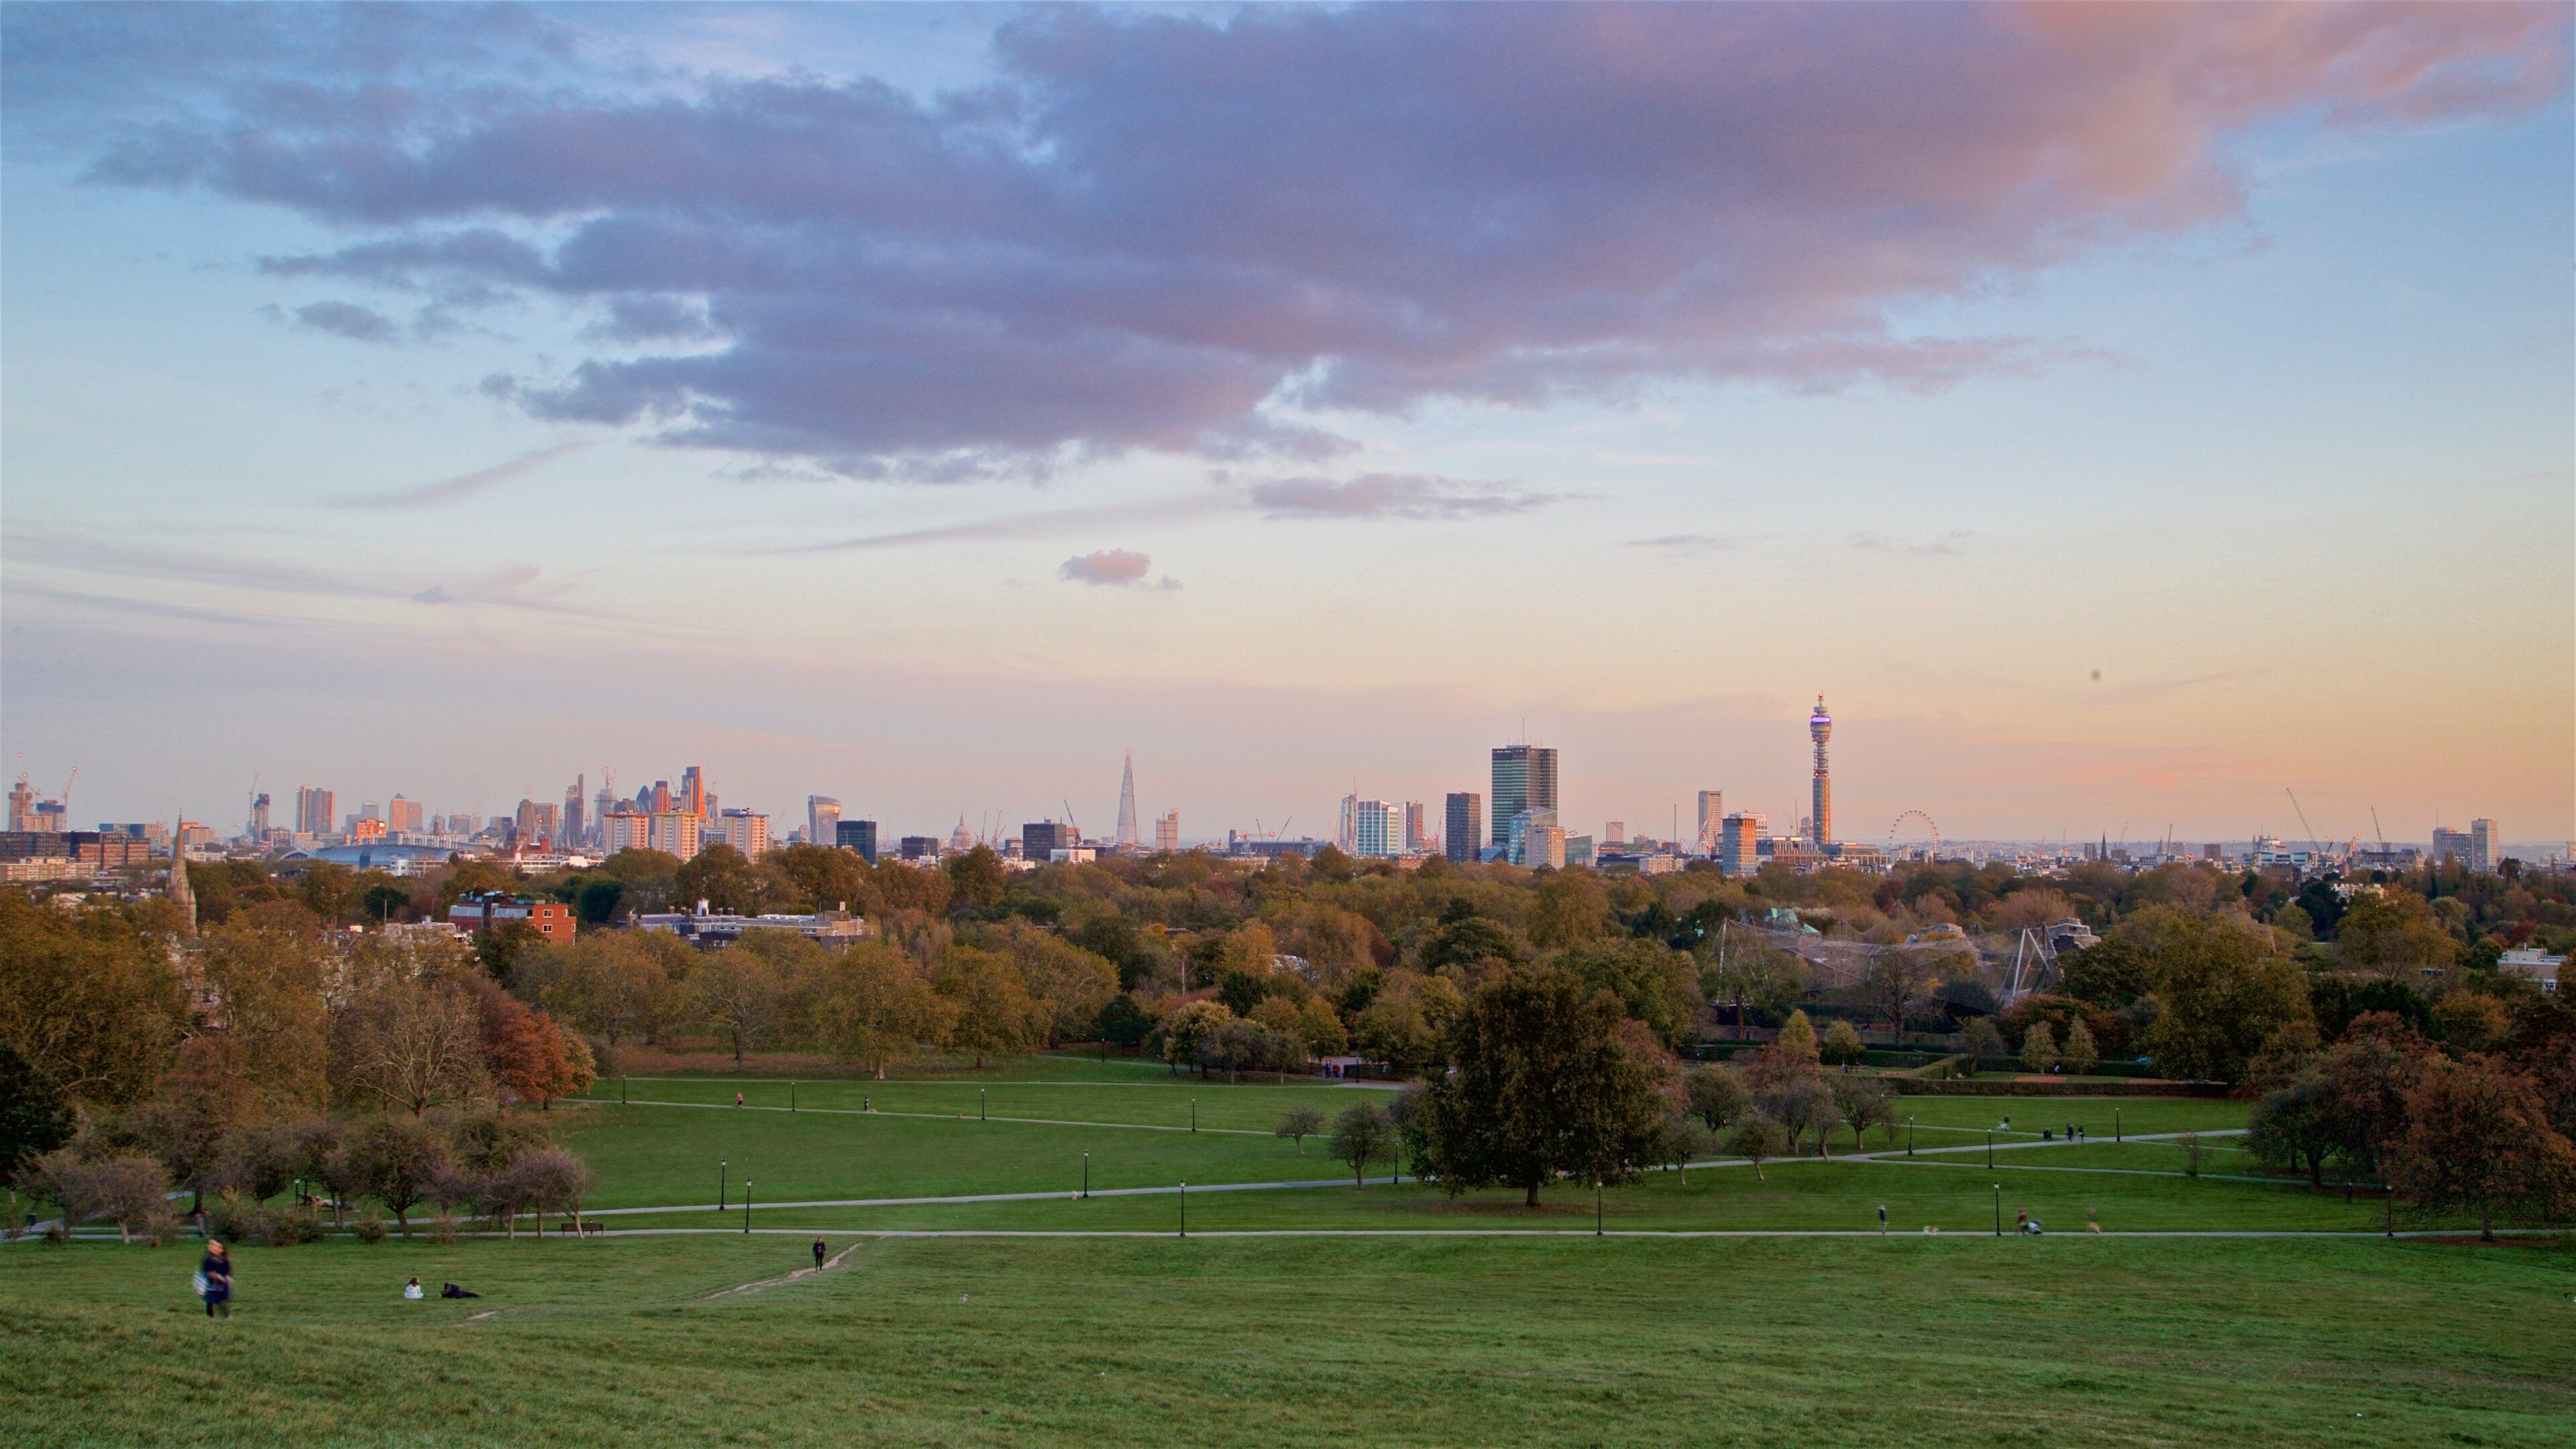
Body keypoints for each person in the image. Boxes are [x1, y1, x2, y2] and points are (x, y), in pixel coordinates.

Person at [198, 1240, 232, 1318]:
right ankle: (210, 1316)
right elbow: (205, 1269)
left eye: (214, 1246)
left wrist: (222, 1276)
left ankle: (227, 1316)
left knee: (219, 1299)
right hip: (210, 1281)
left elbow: (226, 1271)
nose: (211, 1248)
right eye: (211, 1246)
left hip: (220, 1282)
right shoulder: (208, 1258)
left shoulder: (224, 1259)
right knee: (210, 1300)